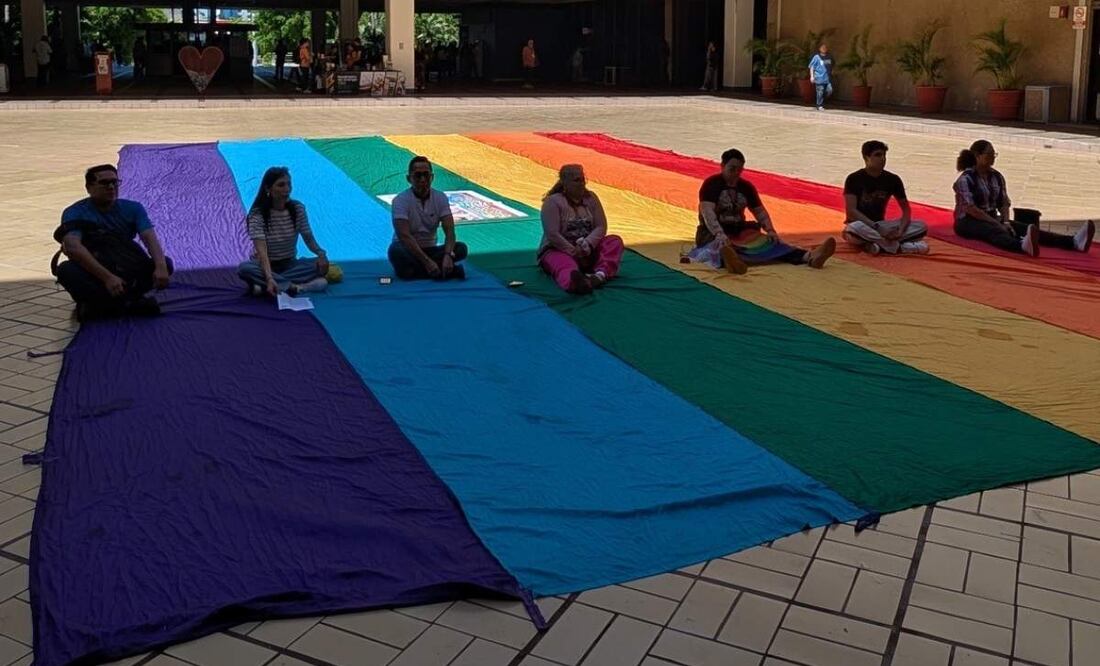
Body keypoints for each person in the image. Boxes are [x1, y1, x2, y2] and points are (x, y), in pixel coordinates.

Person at [53, 165, 172, 320]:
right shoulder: (75, 212)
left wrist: (161, 267)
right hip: (94, 269)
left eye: (115, 182)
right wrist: (107, 277)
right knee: (66, 270)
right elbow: (72, 247)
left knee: (166, 263)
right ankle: (125, 303)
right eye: (104, 183)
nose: (111, 187)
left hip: (125, 265)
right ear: (89, 188)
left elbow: (149, 238)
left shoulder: (133, 208)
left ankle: (108, 305)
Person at [697, 149, 836, 273]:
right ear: (722, 166)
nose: (736, 173)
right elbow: (707, 213)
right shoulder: (711, 185)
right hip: (712, 232)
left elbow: (760, 212)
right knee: (721, 246)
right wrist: (719, 233)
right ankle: (731, 262)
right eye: (732, 169)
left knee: (770, 243)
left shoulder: (746, 187)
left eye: (739, 170)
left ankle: (809, 257)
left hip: (739, 230)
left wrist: (770, 230)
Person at [953, 140, 1094, 257]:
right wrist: (997, 223)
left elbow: (1004, 203)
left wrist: (1006, 221)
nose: (993, 158)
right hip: (968, 221)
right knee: (992, 231)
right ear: (977, 156)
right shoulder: (966, 179)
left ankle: (1073, 242)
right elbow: (971, 209)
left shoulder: (996, 176)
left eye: (994, 154)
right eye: (989, 154)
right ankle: (1020, 246)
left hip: (991, 216)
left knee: (1024, 228)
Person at [237, 167, 329, 296]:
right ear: (268, 189)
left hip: (290, 264)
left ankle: (265, 287)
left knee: (319, 266)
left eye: (289, 184)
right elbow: (262, 253)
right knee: (245, 269)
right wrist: (269, 277)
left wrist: (321, 255)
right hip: (265, 265)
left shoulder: (297, 209)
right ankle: (296, 287)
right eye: (281, 185)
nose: (287, 189)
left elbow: (309, 238)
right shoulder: (257, 214)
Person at [539, 165, 624, 294]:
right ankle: (574, 282)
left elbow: (601, 226)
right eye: (577, 180)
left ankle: (599, 276)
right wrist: (573, 251)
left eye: (583, 179)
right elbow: (552, 234)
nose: (581, 184)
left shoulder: (591, 198)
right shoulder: (553, 202)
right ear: (565, 183)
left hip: (587, 250)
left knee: (614, 241)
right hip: (558, 250)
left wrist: (588, 244)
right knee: (564, 265)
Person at [388, 157, 468, 281]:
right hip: (408, 249)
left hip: (431, 249)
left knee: (461, 248)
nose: (422, 179)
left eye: (426, 175)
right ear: (409, 179)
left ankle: (418, 272)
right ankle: (447, 271)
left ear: (432, 177)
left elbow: (450, 232)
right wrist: (427, 262)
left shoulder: (440, 198)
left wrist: (448, 255)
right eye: (418, 175)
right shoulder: (400, 201)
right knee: (396, 252)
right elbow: (404, 236)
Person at [842, 140, 929, 255]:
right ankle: (900, 248)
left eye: (884, 155)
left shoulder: (893, 179)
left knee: (921, 226)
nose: (883, 159)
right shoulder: (854, 178)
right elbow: (851, 211)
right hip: (863, 225)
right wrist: (876, 227)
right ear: (866, 157)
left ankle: (876, 245)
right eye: (878, 155)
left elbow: (906, 209)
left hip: (882, 225)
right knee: (853, 229)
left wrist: (900, 230)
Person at [809, 43, 834, 110]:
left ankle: (822, 101)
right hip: (819, 77)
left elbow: (832, 65)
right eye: (822, 47)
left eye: (825, 47)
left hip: (827, 78)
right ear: (819, 49)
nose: (824, 49)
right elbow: (812, 67)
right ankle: (819, 105)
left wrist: (832, 71)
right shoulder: (816, 57)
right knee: (820, 92)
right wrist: (812, 76)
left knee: (829, 90)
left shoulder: (829, 57)